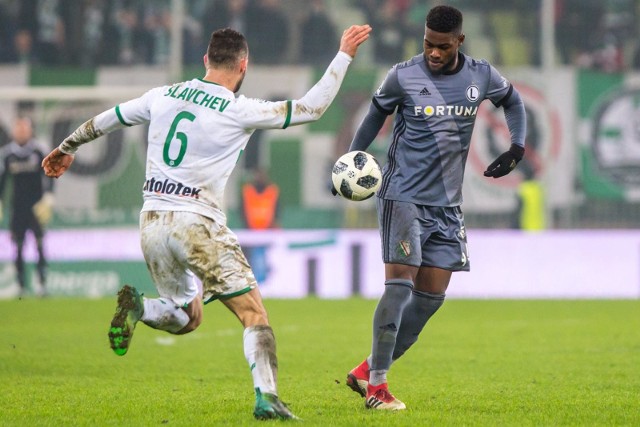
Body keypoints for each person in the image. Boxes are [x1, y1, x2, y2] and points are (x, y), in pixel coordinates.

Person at [42, 24, 371, 420]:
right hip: (197, 222)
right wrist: (344, 54)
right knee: (254, 314)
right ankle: (267, 397)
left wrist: (65, 147)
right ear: (243, 65)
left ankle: (140, 309)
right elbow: (311, 107)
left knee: (187, 316)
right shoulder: (239, 108)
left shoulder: (161, 95)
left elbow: (107, 119)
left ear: (205, 60)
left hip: (151, 221)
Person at [341, 5, 526, 411]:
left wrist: (516, 146)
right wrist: (351, 157)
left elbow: (513, 102)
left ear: (459, 41)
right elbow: (376, 113)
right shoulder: (402, 75)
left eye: (442, 46)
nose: (434, 53)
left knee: (430, 298)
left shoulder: (481, 75)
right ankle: (377, 387)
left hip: (448, 205)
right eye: (428, 44)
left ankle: (365, 370)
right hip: (402, 194)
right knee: (400, 283)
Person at [0, 117, 54, 297]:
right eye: (19, 128)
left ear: (30, 130)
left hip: (36, 207)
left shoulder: (38, 151)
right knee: (18, 246)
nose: (21, 132)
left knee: (39, 245)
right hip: (18, 208)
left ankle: (42, 284)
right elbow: (2, 181)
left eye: (24, 128)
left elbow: (50, 174)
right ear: (14, 131)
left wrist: (48, 196)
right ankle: (21, 285)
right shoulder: (7, 155)